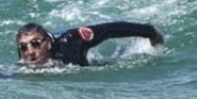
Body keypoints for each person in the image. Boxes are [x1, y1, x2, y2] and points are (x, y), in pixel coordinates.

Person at [16, 22, 164, 67]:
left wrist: (150, 32)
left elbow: (109, 30)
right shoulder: (26, 56)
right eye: (23, 46)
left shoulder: (72, 41)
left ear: (47, 44)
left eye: (35, 43)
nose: (30, 51)